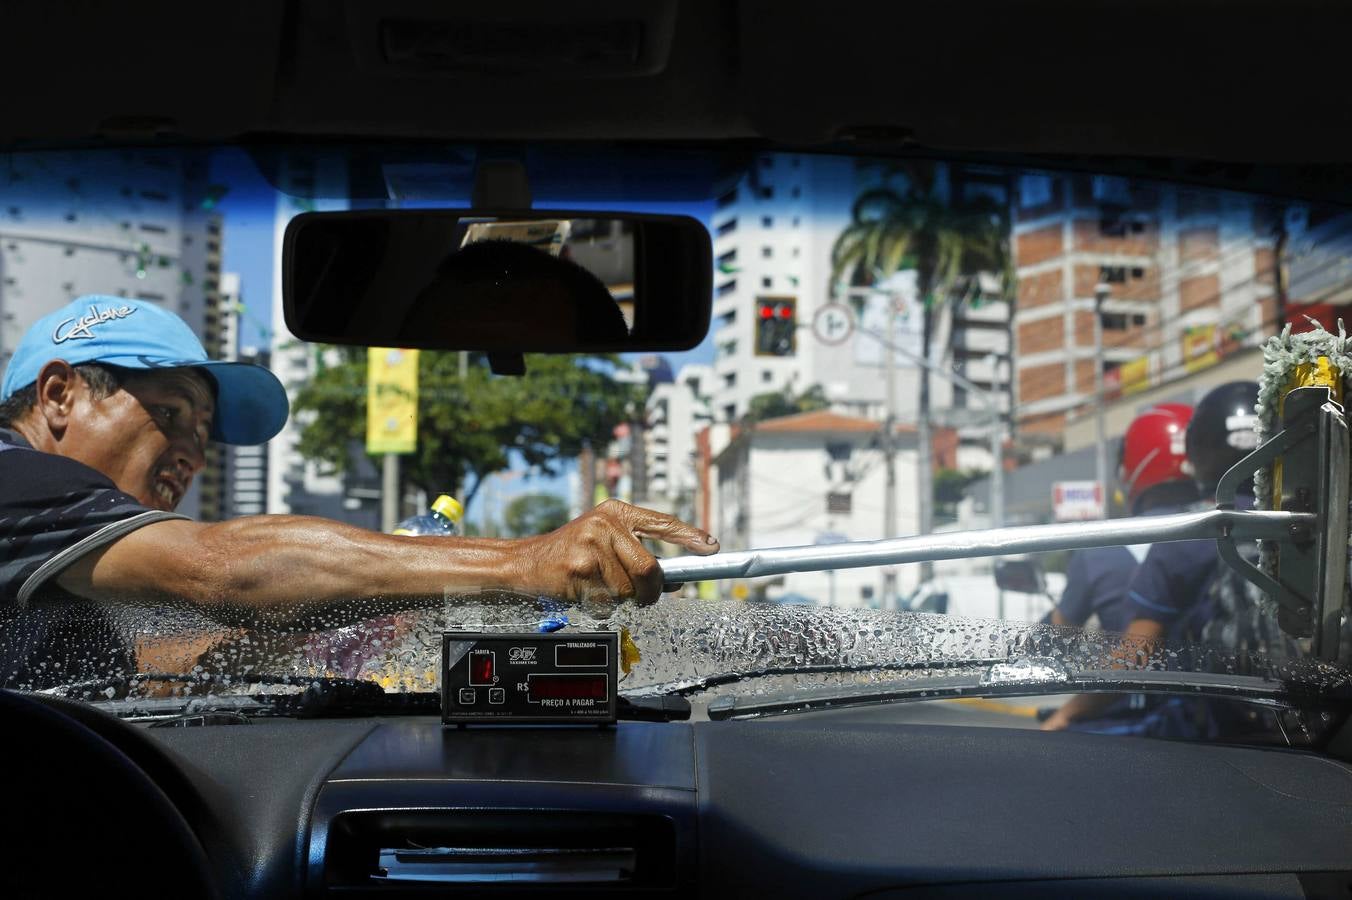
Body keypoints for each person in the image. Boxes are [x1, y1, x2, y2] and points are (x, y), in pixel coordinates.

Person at [0, 296, 718, 689]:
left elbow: (136, 679)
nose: (192, 450)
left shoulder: (57, 570)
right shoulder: (16, 478)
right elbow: (218, 567)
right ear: (59, 394)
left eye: (205, 430)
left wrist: (328, 623)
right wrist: (524, 563)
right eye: (172, 413)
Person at [1042, 382, 1260, 735]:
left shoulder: (1164, 541)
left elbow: (1129, 656)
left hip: (1169, 727)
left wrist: (1067, 714)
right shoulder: (1306, 524)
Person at [1048, 403, 1199, 633]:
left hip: (1132, 667)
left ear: (1132, 465)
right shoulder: (1233, 532)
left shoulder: (1099, 550)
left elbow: (1057, 632)